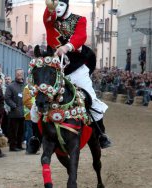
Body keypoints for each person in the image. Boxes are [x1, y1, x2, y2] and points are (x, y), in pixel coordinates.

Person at [36, 0, 111, 148]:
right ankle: (35, 138)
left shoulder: (79, 19)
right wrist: (49, 7)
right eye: (55, 5)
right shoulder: (50, 20)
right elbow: (47, 17)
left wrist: (68, 46)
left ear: (67, 5)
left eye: (61, 5)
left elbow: (81, 36)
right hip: (55, 69)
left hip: (76, 68)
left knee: (92, 99)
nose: (58, 8)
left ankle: (101, 134)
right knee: (39, 98)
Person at [5, 69, 25, 152]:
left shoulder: (25, 86)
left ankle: (19, 145)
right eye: (18, 74)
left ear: (23, 75)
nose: (19, 75)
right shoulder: (11, 86)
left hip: (24, 112)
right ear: (15, 75)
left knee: (21, 130)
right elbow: (7, 98)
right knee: (13, 131)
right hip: (14, 112)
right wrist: (14, 106)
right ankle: (12, 146)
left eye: (21, 73)